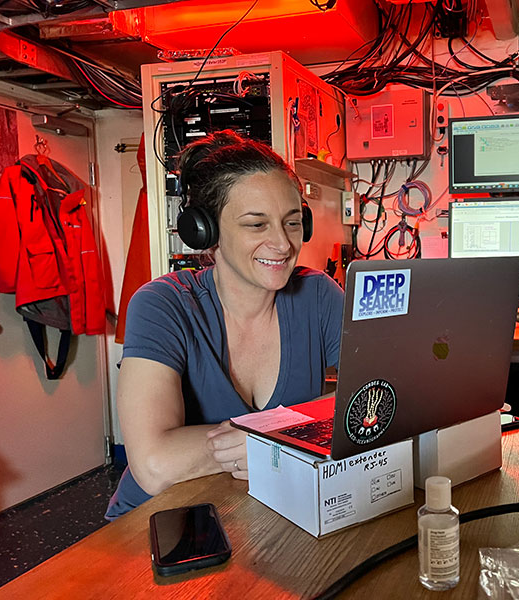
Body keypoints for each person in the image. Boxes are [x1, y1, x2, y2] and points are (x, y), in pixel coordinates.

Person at [105, 130, 344, 519]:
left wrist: (270, 442)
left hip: (255, 512)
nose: (282, 244)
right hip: (158, 523)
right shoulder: (162, 304)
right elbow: (154, 464)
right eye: (256, 225)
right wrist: (293, 437)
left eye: (292, 222)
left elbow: (377, 406)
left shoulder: (318, 295)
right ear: (205, 232)